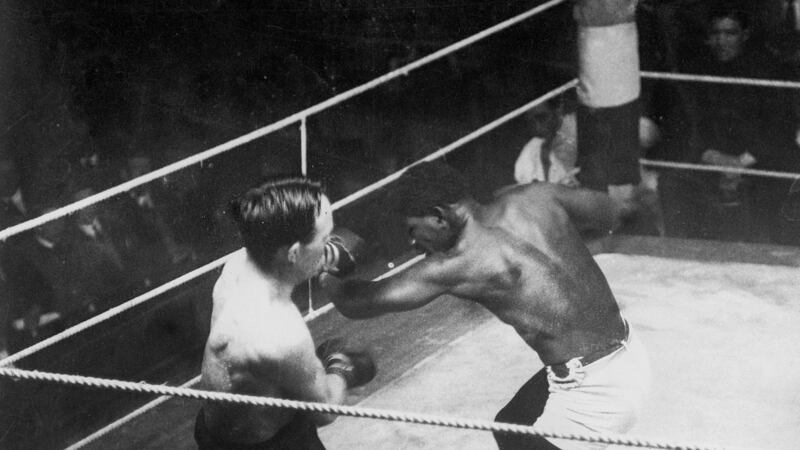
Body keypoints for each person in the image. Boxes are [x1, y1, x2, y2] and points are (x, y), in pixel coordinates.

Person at [324, 1, 651, 449]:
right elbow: (612, 212)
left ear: (441, 215)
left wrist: (326, 266)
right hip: (631, 358)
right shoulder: (536, 195)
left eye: (414, 229)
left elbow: (360, 304)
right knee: (510, 425)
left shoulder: (457, 263)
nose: (413, 242)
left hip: (591, 396)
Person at [195, 176, 375, 449]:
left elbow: (282, 267)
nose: (329, 244)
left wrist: (321, 257)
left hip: (216, 431)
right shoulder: (281, 334)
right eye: (325, 239)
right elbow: (324, 411)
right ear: (292, 253)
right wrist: (340, 368)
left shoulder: (236, 267)